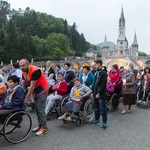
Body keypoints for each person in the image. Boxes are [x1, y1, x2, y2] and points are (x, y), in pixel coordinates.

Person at [19, 59, 50, 136]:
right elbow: (23, 83)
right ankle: (40, 125)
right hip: (36, 90)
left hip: (43, 90)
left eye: (23, 65)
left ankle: (44, 128)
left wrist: (26, 99)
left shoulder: (35, 71)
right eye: (20, 66)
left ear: (28, 64)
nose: (22, 67)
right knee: (36, 108)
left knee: (40, 109)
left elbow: (32, 86)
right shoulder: (24, 71)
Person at [91, 59, 108, 129]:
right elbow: (94, 83)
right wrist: (93, 92)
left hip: (100, 94)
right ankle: (97, 120)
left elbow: (103, 84)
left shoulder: (103, 73)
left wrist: (99, 93)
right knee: (96, 108)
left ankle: (104, 122)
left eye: (95, 65)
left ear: (99, 64)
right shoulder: (96, 72)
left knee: (103, 108)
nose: (94, 66)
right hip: (95, 93)